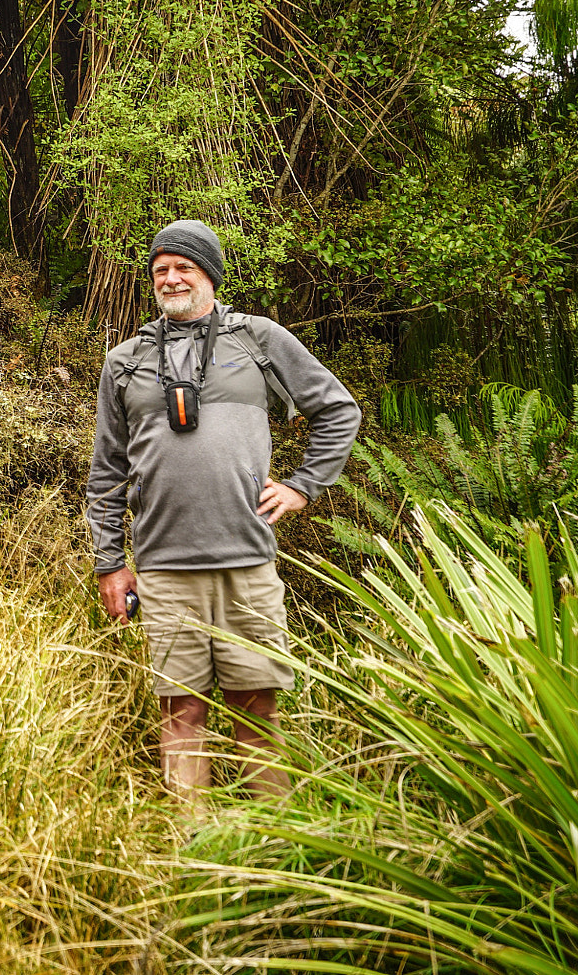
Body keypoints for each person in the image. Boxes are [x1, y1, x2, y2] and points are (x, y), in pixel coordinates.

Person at [85, 219, 361, 810]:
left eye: (184, 266)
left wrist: (303, 486)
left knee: (257, 708)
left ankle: (275, 850)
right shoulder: (126, 361)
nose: (171, 277)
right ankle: (193, 853)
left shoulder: (257, 339)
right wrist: (111, 563)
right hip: (163, 569)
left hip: (247, 562)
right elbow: (106, 473)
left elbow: (338, 410)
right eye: (160, 269)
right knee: (180, 711)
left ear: (208, 273)